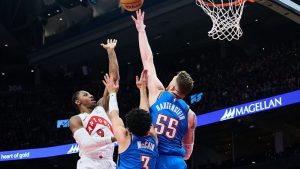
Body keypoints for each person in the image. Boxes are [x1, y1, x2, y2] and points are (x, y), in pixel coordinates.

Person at [132, 10, 197, 169]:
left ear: (174, 86)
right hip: (177, 162)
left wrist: (141, 30)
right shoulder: (190, 115)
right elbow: (188, 153)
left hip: (156, 158)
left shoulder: (158, 92)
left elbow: (147, 59)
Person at [69, 39, 119, 169]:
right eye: (85, 94)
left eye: (90, 93)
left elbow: (113, 80)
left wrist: (111, 52)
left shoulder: (101, 107)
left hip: (109, 162)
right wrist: (114, 138)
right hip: (88, 163)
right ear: (78, 102)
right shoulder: (76, 120)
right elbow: (86, 144)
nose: (90, 95)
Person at [102, 70, 159, 169]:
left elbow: (114, 115)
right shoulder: (153, 138)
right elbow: (145, 113)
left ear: (129, 128)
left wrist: (112, 93)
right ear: (149, 125)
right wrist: (142, 89)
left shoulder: (126, 138)